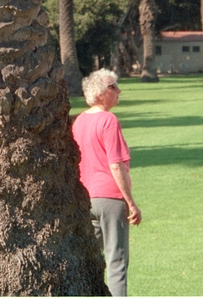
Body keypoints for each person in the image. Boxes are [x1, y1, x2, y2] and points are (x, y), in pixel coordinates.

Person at [72, 69, 141, 296]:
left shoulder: (79, 121)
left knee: (87, 260)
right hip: (110, 199)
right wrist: (131, 202)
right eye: (113, 87)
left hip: (85, 198)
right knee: (116, 261)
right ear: (100, 94)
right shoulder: (108, 120)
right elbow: (115, 165)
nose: (118, 90)